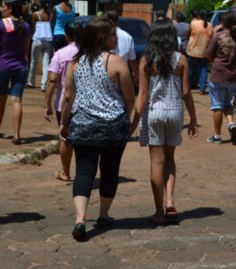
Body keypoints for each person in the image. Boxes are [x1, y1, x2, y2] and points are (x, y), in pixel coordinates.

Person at [59, 17, 135, 240]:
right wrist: (127, 118)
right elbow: (130, 97)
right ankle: (103, 214)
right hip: (113, 125)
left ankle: (80, 219)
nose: (115, 38)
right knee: (109, 170)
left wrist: (64, 123)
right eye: (112, 34)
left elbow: (68, 98)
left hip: (82, 125)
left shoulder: (75, 63)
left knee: (84, 171)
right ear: (103, 37)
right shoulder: (116, 61)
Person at [132, 19, 198, 226]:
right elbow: (186, 93)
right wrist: (193, 119)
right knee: (170, 159)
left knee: (156, 162)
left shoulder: (146, 61)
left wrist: (133, 122)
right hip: (175, 113)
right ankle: (170, 202)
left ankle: (159, 211)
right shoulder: (181, 60)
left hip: (154, 113)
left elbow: (142, 94)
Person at [206, 12, 236, 145]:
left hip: (218, 75)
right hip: (234, 76)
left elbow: (209, 53)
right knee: (227, 103)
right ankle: (231, 124)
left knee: (217, 105)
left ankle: (217, 136)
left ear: (223, 23)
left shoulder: (218, 36)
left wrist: (214, 61)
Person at [44, 21, 83, 182]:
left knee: (65, 137)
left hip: (64, 104)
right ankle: (83, 173)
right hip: (85, 104)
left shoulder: (60, 54)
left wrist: (47, 104)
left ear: (67, 35)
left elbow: (52, 79)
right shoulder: (90, 53)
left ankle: (66, 172)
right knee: (83, 141)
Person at [0, 0, 31, 144]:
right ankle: (17, 135)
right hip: (21, 66)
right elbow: (26, 49)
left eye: (3, 6)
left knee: (1, 99)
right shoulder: (25, 26)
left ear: (10, 9)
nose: (1, 9)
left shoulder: (1, 25)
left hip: (3, 66)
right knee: (16, 100)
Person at [106, 10, 139, 87]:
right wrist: (136, 75)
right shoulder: (127, 36)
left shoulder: (101, 35)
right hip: (122, 77)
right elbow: (132, 61)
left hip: (104, 74)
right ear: (118, 20)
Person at [27, 0, 53, 91]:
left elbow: (33, 27)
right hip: (48, 40)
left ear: (40, 5)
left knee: (33, 62)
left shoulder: (35, 14)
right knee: (46, 63)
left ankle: (31, 82)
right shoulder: (50, 15)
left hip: (37, 39)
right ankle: (44, 85)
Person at [186, 10, 213, 94]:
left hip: (192, 50)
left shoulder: (193, 23)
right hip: (204, 51)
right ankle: (202, 89)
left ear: (198, 16)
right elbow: (211, 37)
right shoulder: (210, 25)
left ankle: (188, 86)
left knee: (190, 69)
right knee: (203, 70)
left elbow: (188, 34)